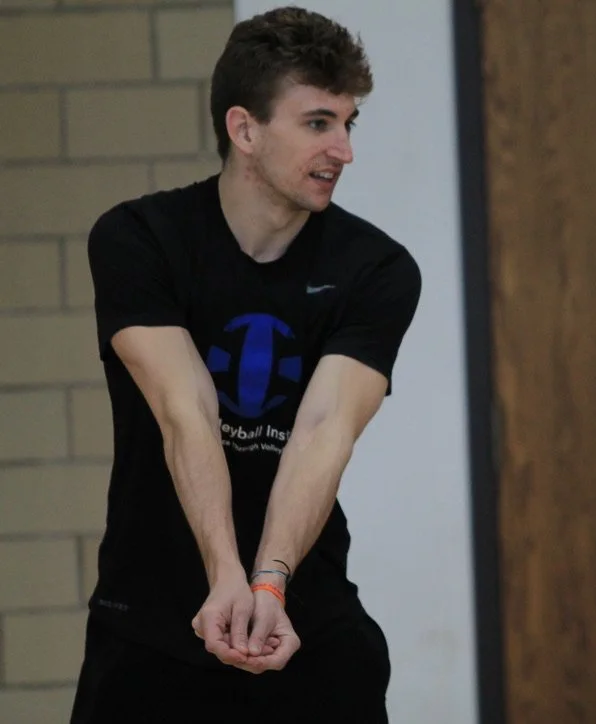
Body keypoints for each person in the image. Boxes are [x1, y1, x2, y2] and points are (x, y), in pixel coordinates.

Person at [70, 7, 421, 723]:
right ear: (244, 129)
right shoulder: (139, 240)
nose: (343, 150)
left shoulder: (377, 268)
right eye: (319, 123)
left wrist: (266, 585)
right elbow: (184, 409)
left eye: (349, 124)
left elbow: (323, 429)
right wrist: (222, 574)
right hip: (148, 624)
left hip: (303, 620)